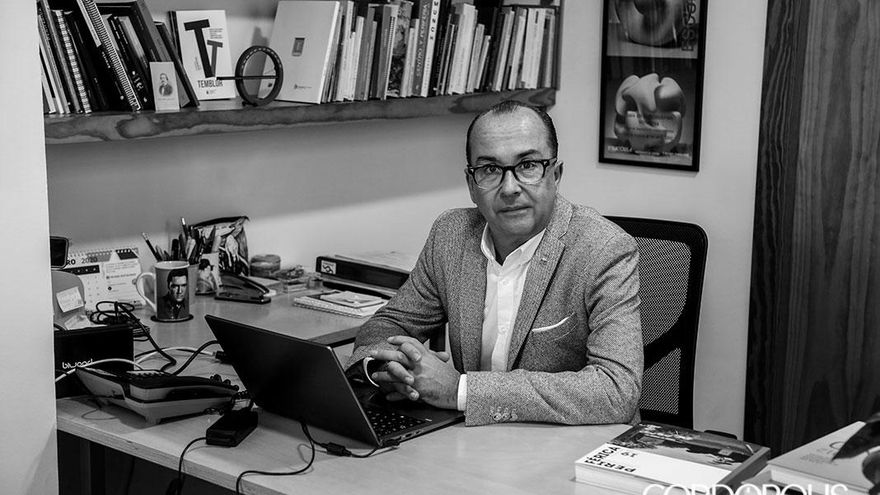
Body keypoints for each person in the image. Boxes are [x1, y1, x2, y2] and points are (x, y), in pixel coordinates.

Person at [346, 101, 643, 426]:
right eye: (489, 169)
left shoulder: (603, 249)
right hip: (473, 440)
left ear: (555, 175)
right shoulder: (451, 235)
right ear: (471, 185)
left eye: (528, 165)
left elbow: (617, 390)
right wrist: (390, 368)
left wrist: (460, 390)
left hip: (569, 444)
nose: (510, 188)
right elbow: (388, 325)